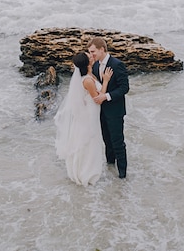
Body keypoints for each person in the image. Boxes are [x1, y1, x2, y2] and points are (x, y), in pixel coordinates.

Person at [54, 51, 113, 186]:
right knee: (91, 140)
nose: (91, 56)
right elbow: (98, 99)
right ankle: (87, 172)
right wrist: (106, 81)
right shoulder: (87, 80)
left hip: (91, 111)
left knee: (91, 140)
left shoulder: (89, 75)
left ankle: (87, 168)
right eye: (89, 56)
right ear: (86, 63)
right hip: (90, 114)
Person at [87, 37, 130, 179]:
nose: (91, 55)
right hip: (101, 111)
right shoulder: (94, 66)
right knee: (106, 139)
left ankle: (122, 175)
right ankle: (110, 165)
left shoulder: (117, 65)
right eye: (90, 52)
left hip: (115, 110)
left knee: (118, 142)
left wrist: (107, 96)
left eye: (93, 52)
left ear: (102, 49)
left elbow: (124, 88)